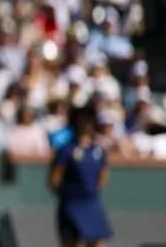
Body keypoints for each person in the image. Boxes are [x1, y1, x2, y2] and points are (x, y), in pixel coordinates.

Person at [49, 104, 112, 247]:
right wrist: (66, 195)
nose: (86, 126)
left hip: (91, 202)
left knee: (97, 241)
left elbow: (103, 175)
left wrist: (91, 191)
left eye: (89, 122)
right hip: (70, 203)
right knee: (70, 241)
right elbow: (54, 178)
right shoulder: (66, 151)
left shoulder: (98, 151)